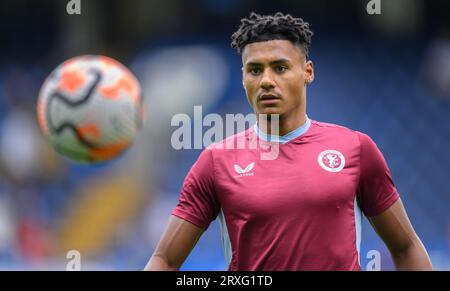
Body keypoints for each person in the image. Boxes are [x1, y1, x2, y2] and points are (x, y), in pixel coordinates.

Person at [145, 12, 433, 271]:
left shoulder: (355, 149)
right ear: (244, 77)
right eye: (255, 70)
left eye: (280, 68)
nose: (266, 81)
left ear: (307, 72)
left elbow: (406, 247)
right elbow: (165, 261)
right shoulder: (216, 161)